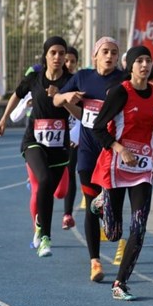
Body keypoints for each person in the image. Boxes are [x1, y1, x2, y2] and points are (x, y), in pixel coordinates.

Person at [53, 37, 127, 282]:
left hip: (112, 152)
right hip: (87, 152)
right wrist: (67, 97)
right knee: (90, 205)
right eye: (105, 52)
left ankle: (110, 218)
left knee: (113, 218)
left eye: (114, 52)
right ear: (95, 55)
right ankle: (95, 261)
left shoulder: (123, 80)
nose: (109, 56)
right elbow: (56, 99)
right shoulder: (83, 77)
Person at [89, 46, 153, 301]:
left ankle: (120, 284)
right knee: (113, 234)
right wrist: (120, 148)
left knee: (138, 228)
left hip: (142, 169)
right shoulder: (121, 92)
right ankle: (100, 202)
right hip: (116, 166)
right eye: (139, 60)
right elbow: (98, 128)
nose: (144, 65)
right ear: (130, 66)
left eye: (148, 60)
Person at [0, 36, 73, 258]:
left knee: (50, 192)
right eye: (53, 53)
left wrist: (62, 98)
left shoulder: (71, 81)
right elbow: (16, 95)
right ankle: (46, 238)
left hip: (59, 145)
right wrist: (3, 120)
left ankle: (40, 222)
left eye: (61, 53)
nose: (57, 57)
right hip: (34, 141)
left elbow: (80, 110)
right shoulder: (34, 78)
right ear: (45, 55)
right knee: (44, 180)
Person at [61, 46, 81, 230]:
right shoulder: (54, 82)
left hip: (73, 137)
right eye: (66, 60)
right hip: (54, 135)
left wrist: (75, 134)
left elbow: (84, 114)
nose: (68, 64)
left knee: (70, 171)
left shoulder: (80, 85)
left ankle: (67, 214)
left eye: (72, 61)